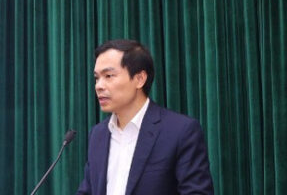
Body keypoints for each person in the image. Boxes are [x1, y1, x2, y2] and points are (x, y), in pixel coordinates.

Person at [76, 39, 214, 195]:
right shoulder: (98, 134)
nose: (99, 86)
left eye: (108, 76)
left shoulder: (180, 131)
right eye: (97, 78)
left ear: (139, 79)